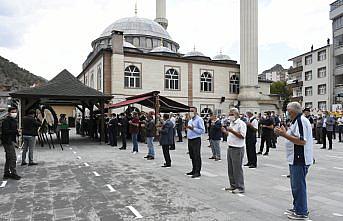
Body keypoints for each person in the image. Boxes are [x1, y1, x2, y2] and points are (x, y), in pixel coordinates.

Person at [275, 102, 313, 220]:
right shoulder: (296, 121)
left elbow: (301, 141)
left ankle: (301, 211)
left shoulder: (301, 121)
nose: (287, 112)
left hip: (300, 159)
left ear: (292, 111)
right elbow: (293, 135)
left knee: (298, 186)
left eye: (287, 110)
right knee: (295, 185)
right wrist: (284, 132)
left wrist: (284, 135)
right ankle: (298, 207)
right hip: (295, 158)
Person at [222, 108, 246, 194]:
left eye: (231, 114)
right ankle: (233, 185)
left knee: (237, 169)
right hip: (231, 147)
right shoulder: (232, 123)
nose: (230, 116)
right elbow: (231, 135)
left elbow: (242, 136)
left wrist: (232, 130)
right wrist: (226, 132)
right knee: (231, 168)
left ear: (236, 114)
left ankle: (240, 187)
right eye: (230, 114)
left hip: (238, 148)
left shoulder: (241, 124)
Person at [1, 107, 21, 180]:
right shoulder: (6, 121)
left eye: (15, 112)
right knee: (13, 158)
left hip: (11, 140)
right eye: (13, 112)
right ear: (9, 113)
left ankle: (6, 173)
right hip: (7, 141)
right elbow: (6, 131)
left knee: (9, 157)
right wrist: (15, 131)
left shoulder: (13, 120)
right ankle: (13, 173)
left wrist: (17, 133)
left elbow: (13, 130)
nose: (14, 113)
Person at [186, 108, 205, 178]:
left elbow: (202, 131)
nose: (190, 112)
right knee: (192, 155)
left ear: (195, 112)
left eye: (192, 111)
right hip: (190, 139)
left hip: (196, 139)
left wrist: (193, 129)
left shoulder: (199, 119)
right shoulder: (190, 120)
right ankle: (193, 170)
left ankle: (197, 171)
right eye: (190, 111)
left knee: (197, 155)